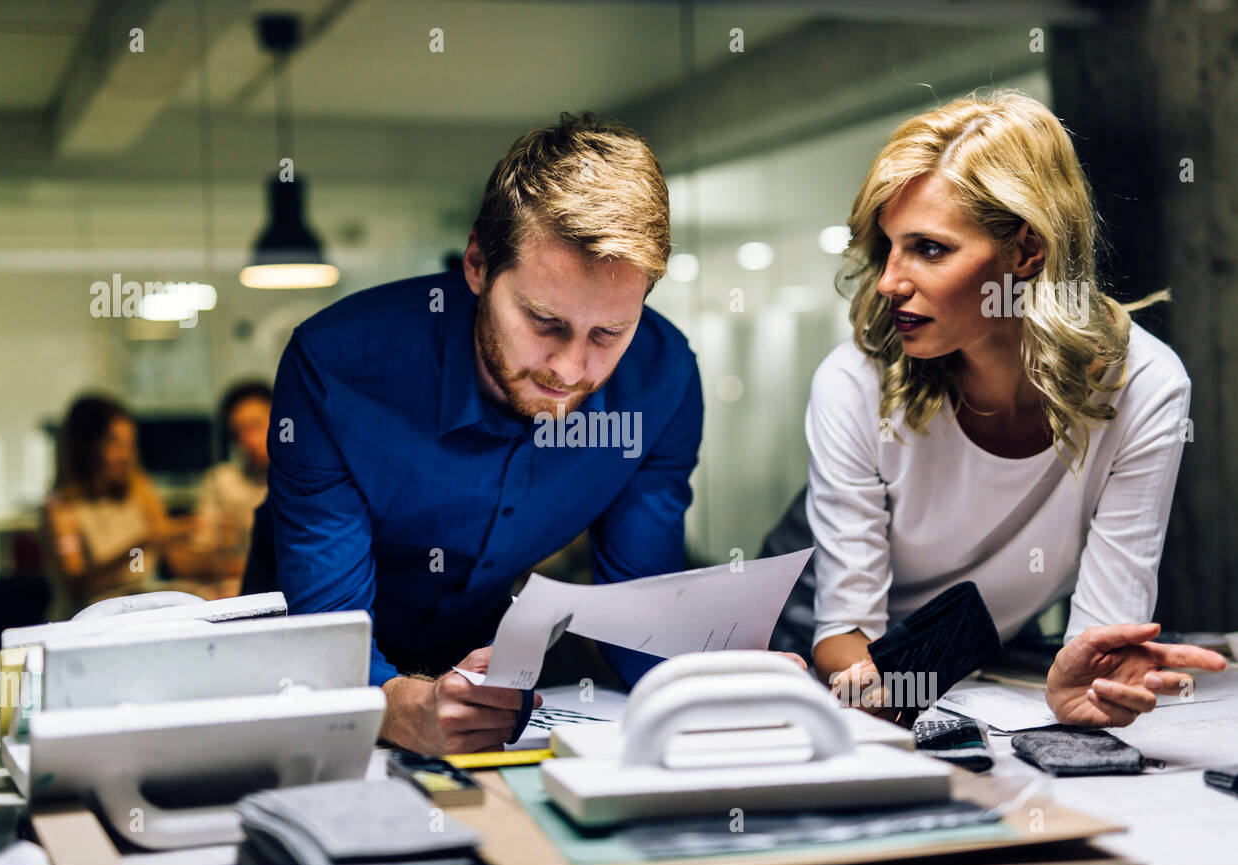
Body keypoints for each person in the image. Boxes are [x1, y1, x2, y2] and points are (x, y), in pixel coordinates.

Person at [266, 112, 803, 755]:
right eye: (544, 321)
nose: (572, 370)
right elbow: (328, 633)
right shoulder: (337, 369)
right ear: (476, 265)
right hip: (298, 671)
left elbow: (639, 604)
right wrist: (395, 704)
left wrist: (709, 683)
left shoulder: (661, 381)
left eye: (610, 332)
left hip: (481, 681)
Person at [774, 90, 1224, 728]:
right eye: (889, 245)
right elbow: (842, 634)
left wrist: (1087, 687)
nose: (888, 281)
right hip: (817, 646)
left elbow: (1101, 639)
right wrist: (878, 695)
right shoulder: (853, 382)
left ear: (1027, 251)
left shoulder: (1147, 387)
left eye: (929, 249)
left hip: (976, 664)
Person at [42, 394, 175, 618]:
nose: (127, 456)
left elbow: (175, 559)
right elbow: (76, 585)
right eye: (115, 444)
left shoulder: (140, 489)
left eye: (129, 444)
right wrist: (142, 542)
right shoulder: (62, 507)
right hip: (86, 621)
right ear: (87, 449)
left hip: (140, 614)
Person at [166, 382, 271, 598]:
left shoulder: (305, 477)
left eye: (256, 426)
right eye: (238, 432)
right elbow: (184, 562)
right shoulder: (222, 481)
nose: (248, 440)